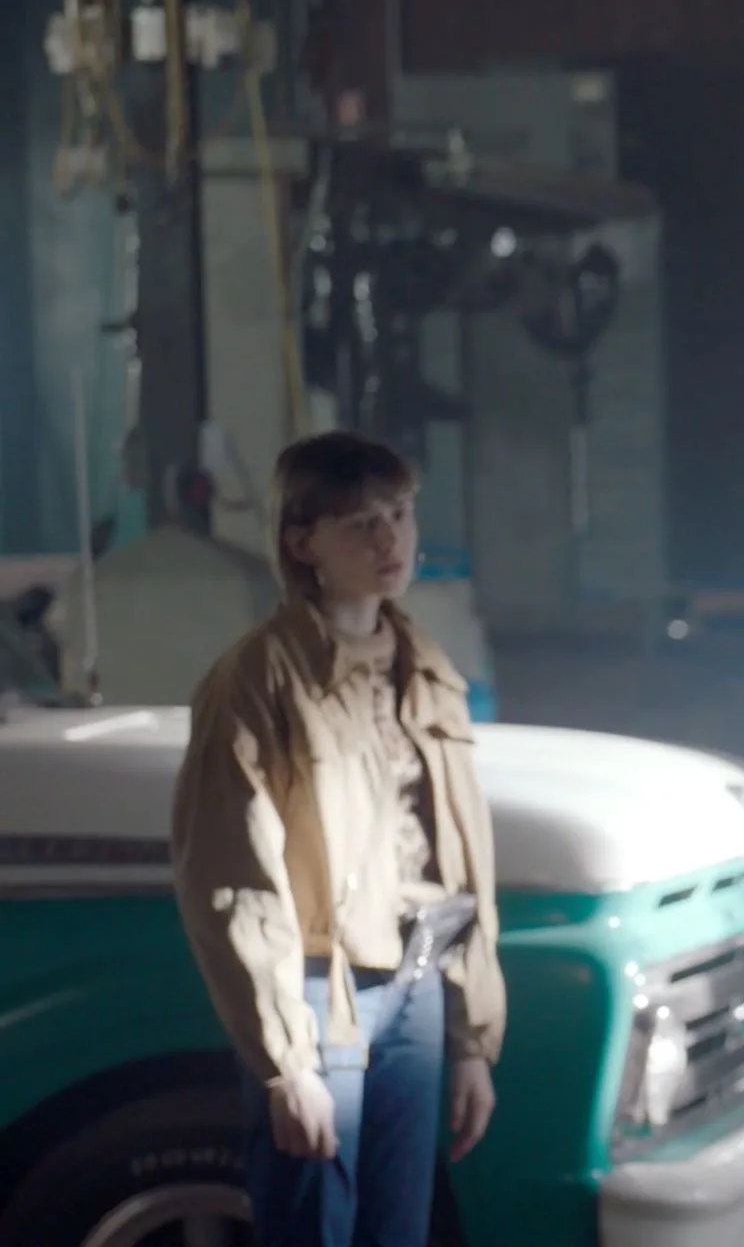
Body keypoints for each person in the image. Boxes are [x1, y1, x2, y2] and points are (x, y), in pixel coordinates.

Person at [171, 431, 505, 1246]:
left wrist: (469, 1039)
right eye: (359, 523)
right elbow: (234, 876)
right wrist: (287, 1062)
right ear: (302, 542)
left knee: (399, 1229)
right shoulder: (258, 678)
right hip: (320, 992)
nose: (390, 540)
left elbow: (456, 859)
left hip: (418, 979)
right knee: (316, 1220)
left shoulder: (425, 665)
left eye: (399, 514)